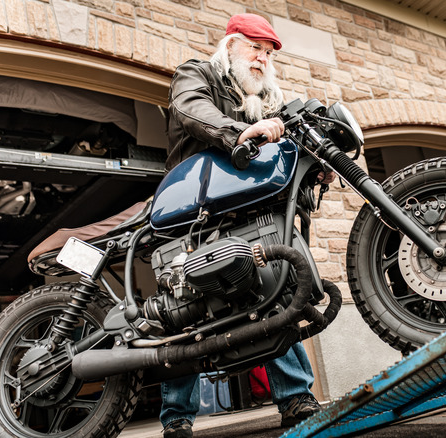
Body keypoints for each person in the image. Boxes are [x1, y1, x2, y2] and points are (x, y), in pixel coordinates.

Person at [160, 14, 322, 438]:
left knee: (274, 289)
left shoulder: (265, 99)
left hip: (241, 214)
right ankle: (176, 417)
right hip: (190, 210)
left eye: (267, 53)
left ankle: (295, 397)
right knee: (186, 310)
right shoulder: (198, 74)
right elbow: (191, 109)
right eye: (254, 47)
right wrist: (240, 132)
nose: (261, 58)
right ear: (230, 44)